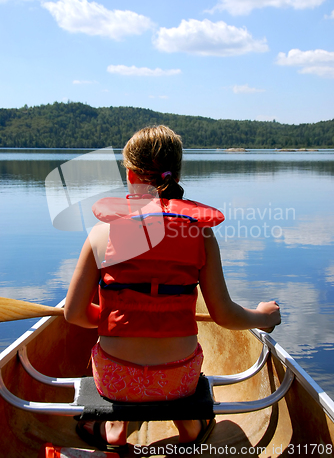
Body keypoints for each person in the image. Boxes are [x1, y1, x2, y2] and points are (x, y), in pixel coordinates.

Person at [64, 125, 281, 452]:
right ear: (176, 172)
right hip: (179, 381)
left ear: (130, 173)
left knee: (106, 353)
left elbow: (74, 314)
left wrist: (114, 317)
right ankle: (190, 428)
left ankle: (114, 430)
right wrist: (261, 315)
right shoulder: (200, 233)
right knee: (186, 369)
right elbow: (225, 314)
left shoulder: (102, 232)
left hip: (115, 380)